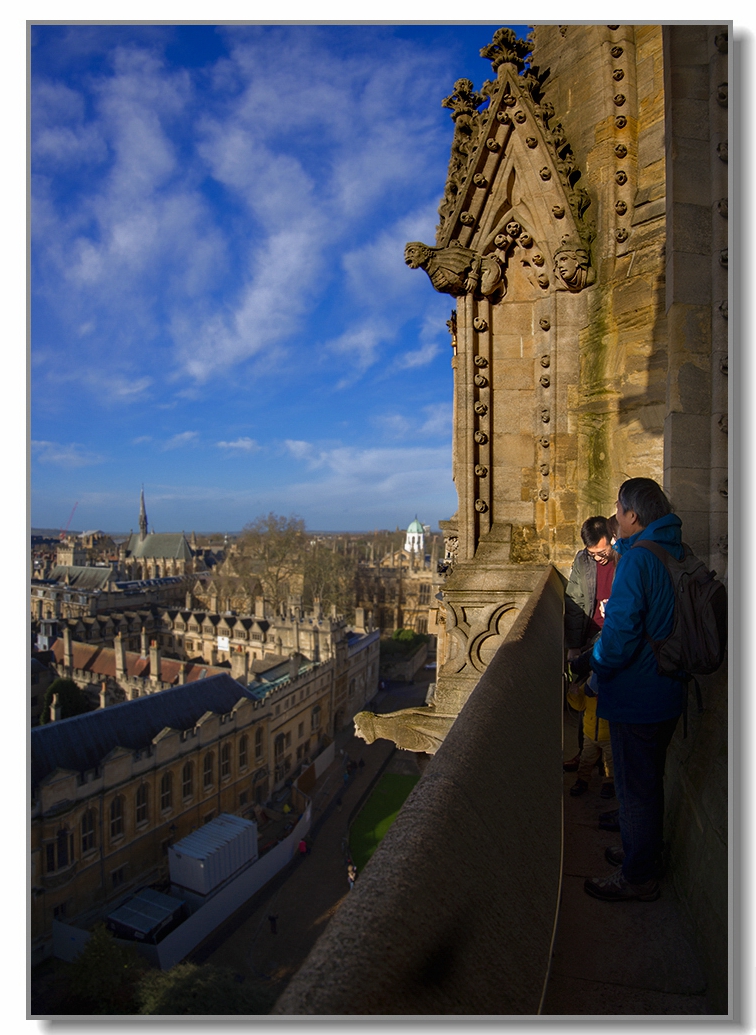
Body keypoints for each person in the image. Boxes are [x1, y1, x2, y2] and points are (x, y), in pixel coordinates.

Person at [571, 478, 685, 902]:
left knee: (635, 790)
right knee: (648, 782)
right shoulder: (673, 548)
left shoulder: (638, 560)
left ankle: (637, 877)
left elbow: (617, 641)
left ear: (633, 515)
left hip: (638, 694)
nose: (615, 516)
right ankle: (643, 852)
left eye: (619, 509)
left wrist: (589, 664)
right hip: (668, 688)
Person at [563, 516, 617, 782]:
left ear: (612, 538)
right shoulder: (583, 561)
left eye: (602, 552)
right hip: (589, 638)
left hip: (615, 638)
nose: (598, 558)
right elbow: (574, 602)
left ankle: (608, 763)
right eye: (592, 553)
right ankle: (584, 752)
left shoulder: (624, 558)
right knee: (586, 697)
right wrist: (573, 646)